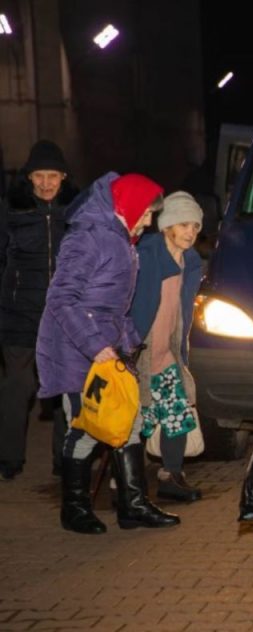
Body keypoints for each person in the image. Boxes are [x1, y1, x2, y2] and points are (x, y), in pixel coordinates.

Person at [37, 172, 180, 534]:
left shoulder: (121, 240)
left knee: (128, 424)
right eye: (147, 214)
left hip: (108, 351)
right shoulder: (88, 238)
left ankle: (132, 505)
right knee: (87, 428)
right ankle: (74, 507)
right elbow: (61, 299)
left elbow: (116, 307)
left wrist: (128, 344)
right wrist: (94, 345)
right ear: (129, 206)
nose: (149, 223)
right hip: (76, 351)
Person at [0, 140, 77, 480]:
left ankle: (65, 459)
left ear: (63, 177)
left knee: (65, 388)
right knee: (18, 387)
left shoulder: (76, 212)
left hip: (63, 318)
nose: (46, 183)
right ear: (28, 178)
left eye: (52, 176)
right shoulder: (11, 211)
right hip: (20, 316)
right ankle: (10, 459)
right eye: (39, 176)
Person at [129, 191, 204, 502]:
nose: (190, 232)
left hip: (168, 350)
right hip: (141, 351)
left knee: (177, 413)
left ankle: (170, 476)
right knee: (139, 419)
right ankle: (127, 481)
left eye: (196, 227)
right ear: (166, 226)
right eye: (183, 225)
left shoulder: (190, 260)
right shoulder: (148, 255)